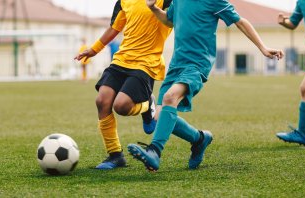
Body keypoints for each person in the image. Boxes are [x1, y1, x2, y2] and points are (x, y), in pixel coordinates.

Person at [127, 0, 284, 172]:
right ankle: (199, 139)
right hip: (176, 64)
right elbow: (169, 20)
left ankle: (154, 151)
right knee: (157, 116)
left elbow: (240, 21)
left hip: (197, 64)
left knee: (170, 97)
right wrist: (153, 8)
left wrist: (263, 47)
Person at [74, 0, 172, 169]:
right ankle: (115, 156)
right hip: (122, 59)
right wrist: (94, 49)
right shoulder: (124, 1)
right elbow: (114, 27)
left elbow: (172, 20)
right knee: (102, 101)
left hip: (146, 63)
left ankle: (148, 105)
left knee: (121, 106)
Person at [276, 1, 305, 146]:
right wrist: (283, 21)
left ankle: (302, 134)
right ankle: (302, 134)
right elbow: (293, 23)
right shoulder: (302, 2)